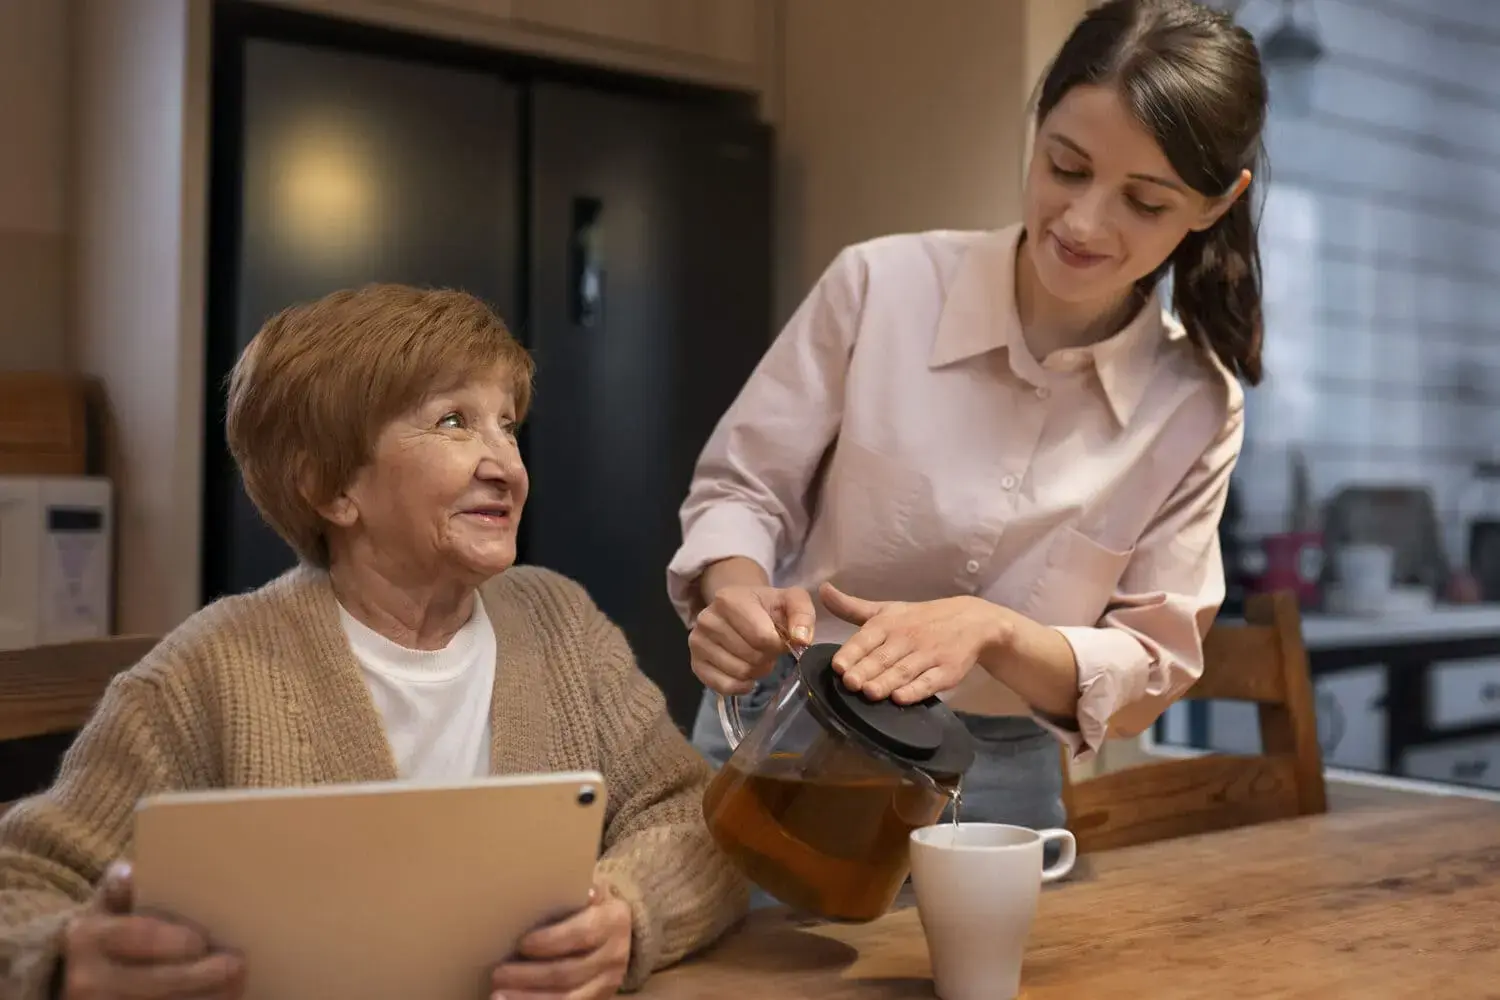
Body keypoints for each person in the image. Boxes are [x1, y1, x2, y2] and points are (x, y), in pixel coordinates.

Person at [0, 285, 747, 1000]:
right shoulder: (209, 672)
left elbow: (695, 820)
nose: (507, 467)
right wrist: (64, 963)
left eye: (508, 424)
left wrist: (624, 913)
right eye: (454, 421)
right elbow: (23, 885)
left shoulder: (561, 623)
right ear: (331, 490)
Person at [669, 0, 1266, 832]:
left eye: (1145, 201)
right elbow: (743, 487)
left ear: (1213, 203)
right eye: (1066, 167)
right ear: (1038, 126)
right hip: (787, 730)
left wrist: (997, 634)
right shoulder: (879, 286)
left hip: (994, 777)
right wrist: (734, 596)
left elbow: (1150, 661)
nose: (1085, 222)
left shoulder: (1195, 406)